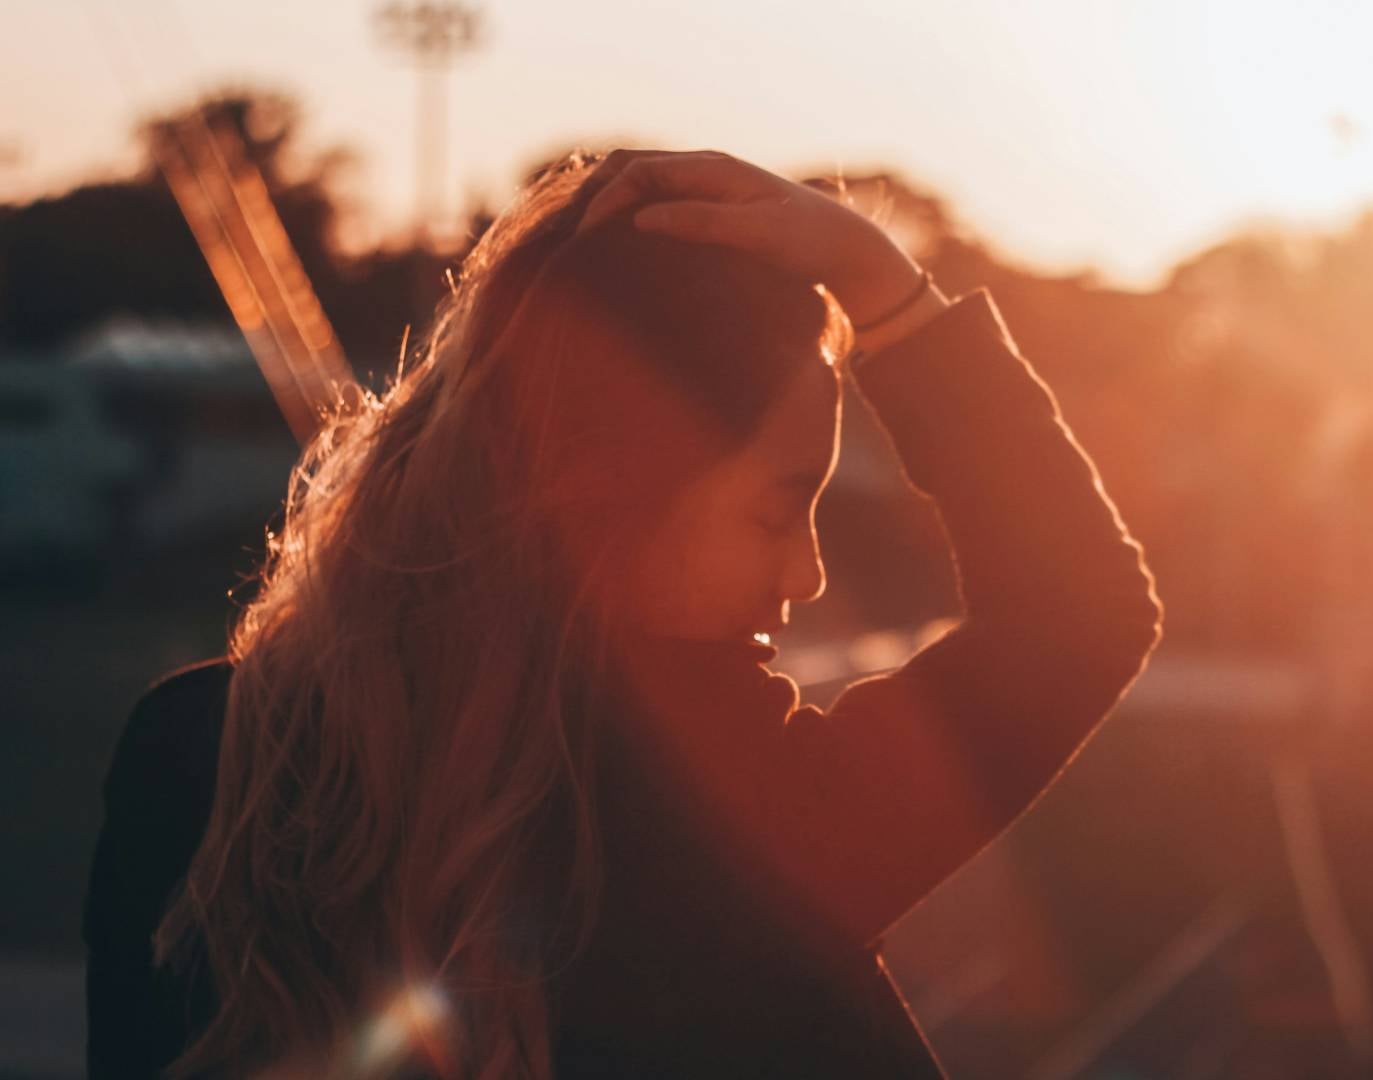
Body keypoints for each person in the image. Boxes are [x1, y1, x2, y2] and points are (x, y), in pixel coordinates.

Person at [83, 149, 1163, 1078]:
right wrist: (888, 292)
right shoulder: (737, 826)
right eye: (779, 511)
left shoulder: (196, 758)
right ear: (607, 496)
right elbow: (1077, 614)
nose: (808, 577)